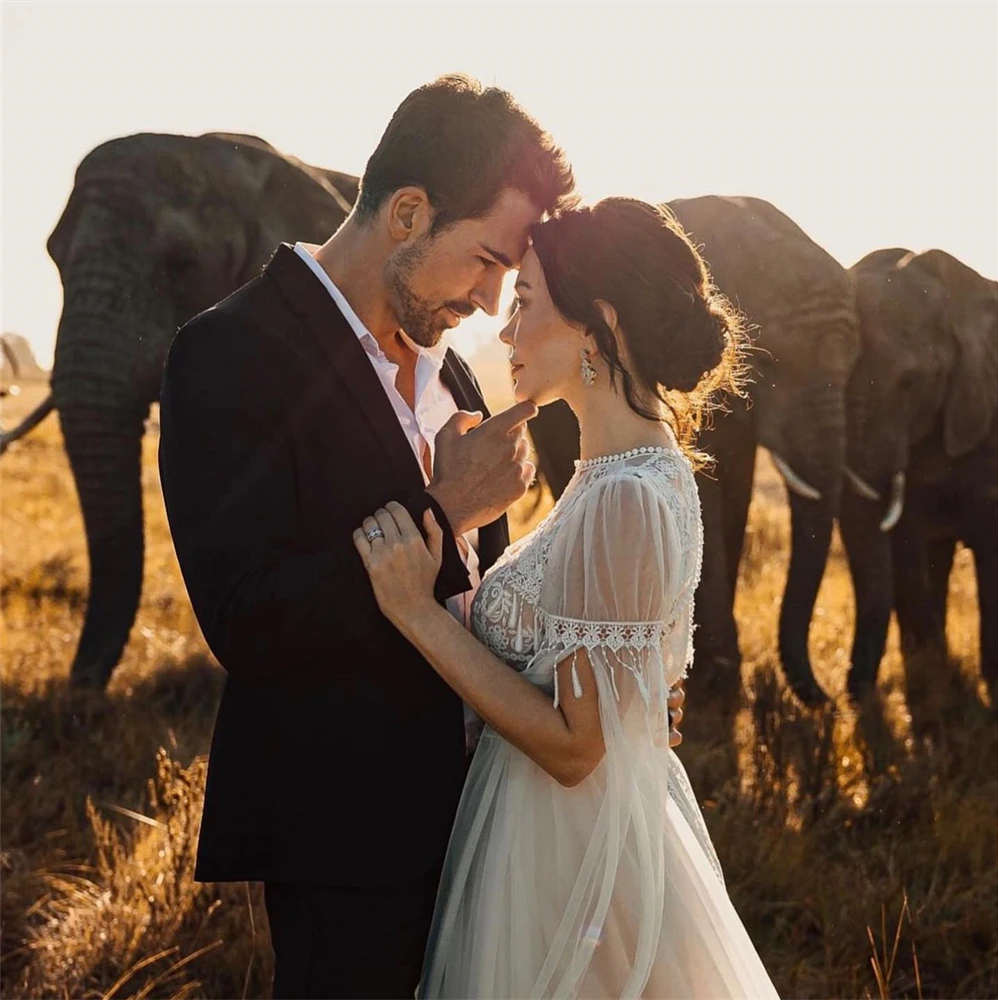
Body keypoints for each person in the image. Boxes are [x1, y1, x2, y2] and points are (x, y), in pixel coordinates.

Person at [158, 74, 683, 999]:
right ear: (408, 213)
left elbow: (485, 601)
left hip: (501, 830)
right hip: (345, 845)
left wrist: (617, 690)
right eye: (484, 261)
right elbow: (245, 621)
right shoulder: (228, 353)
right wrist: (442, 516)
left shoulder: (460, 383)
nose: (490, 302)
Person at [353, 198, 780, 998]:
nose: (506, 332)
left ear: (598, 324)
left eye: (525, 305)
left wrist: (413, 611)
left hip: (561, 856)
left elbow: (576, 747)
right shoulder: (628, 474)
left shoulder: (623, 494)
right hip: (550, 834)